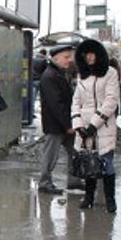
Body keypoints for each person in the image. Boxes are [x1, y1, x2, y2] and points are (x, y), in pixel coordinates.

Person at [71, 39, 121, 213]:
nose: (89, 57)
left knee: (107, 163)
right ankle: (89, 197)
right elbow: (76, 101)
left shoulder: (110, 73)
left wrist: (94, 124)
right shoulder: (82, 75)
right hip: (84, 127)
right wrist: (78, 124)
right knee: (87, 161)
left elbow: (111, 101)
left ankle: (110, 199)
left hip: (104, 126)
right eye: (86, 54)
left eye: (92, 53)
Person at [38, 43, 77, 195]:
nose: (69, 60)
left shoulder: (58, 73)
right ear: (55, 58)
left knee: (74, 152)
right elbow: (56, 104)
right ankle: (44, 183)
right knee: (50, 155)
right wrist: (67, 125)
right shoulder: (50, 76)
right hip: (56, 124)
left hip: (62, 123)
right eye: (66, 57)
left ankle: (74, 181)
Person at [31, 48, 48, 113]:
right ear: (44, 54)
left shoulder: (33, 59)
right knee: (42, 96)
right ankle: (43, 110)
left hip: (32, 80)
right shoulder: (44, 60)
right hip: (40, 80)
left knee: (33, 97)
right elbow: (46, 71)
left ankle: (31, 111)